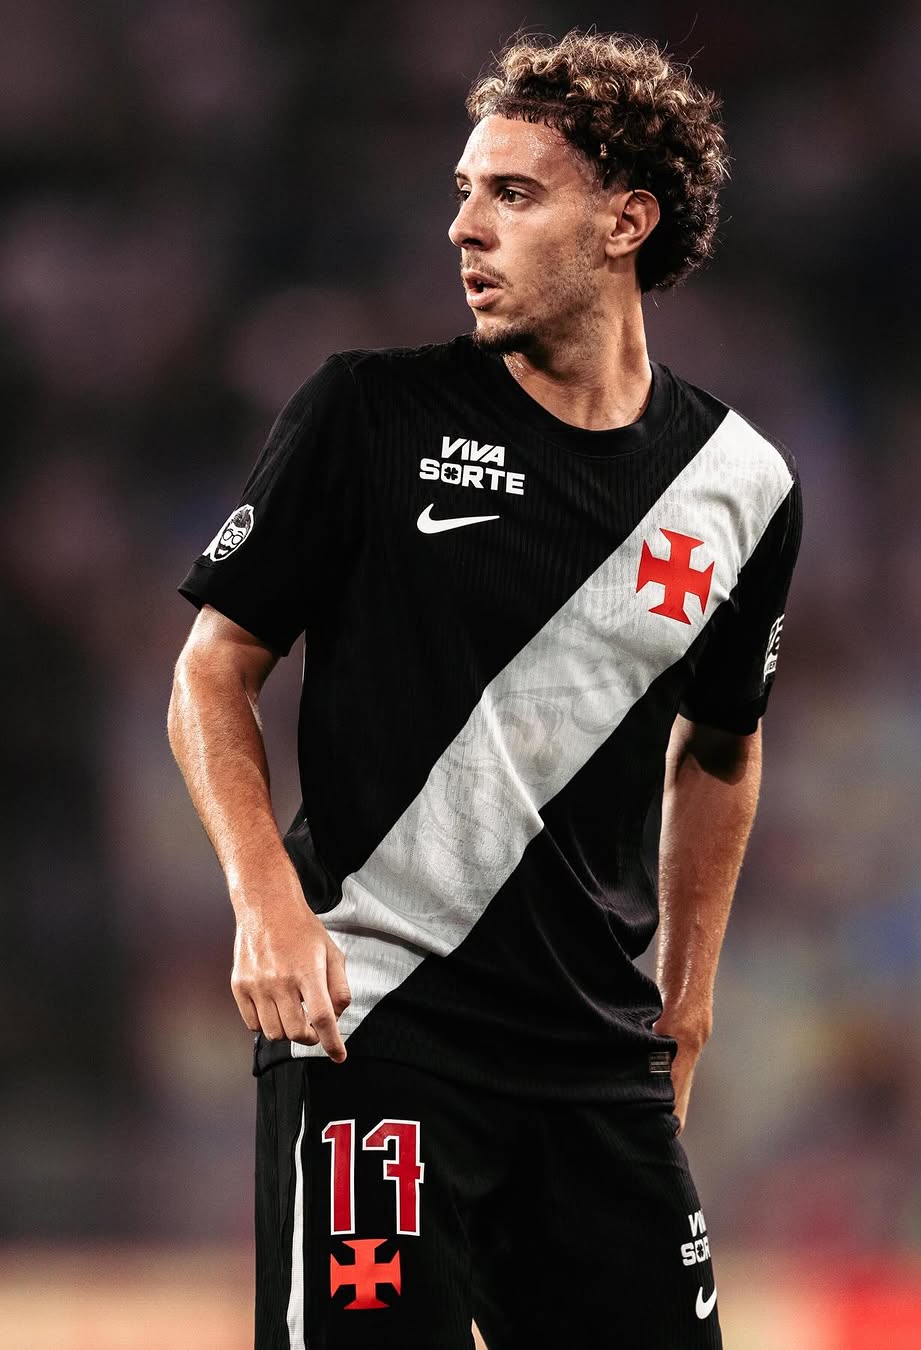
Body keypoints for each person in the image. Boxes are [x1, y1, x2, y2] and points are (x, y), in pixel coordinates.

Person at [169, 29, 800, 1350]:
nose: (464, 226)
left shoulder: (740, 489)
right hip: (375, 1024)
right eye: (463, 192)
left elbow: (722, 749)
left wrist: (685, 1006)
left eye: (513, 193)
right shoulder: (367, 415)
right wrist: (265, 900)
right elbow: (213, 670)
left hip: (596, 1060)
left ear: (626, 220)